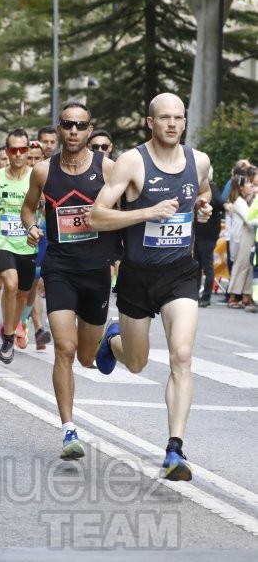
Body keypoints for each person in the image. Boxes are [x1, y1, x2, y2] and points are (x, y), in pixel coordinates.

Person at [90, 92, 213, 482]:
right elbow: (96, 216)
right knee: (138, 362)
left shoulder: (199, 160)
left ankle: (175, 449)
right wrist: (147, 211)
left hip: (180, 274)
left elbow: (204, 190)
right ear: (150, 122)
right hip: (137, 276)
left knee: (181, 355)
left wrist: (204, 206)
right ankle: (112, 341)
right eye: (165, 118)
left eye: (179, 118)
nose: (173, 124)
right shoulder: (131, 162)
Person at [22, 103, 118, 460]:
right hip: (59, 267)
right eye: (67, 124)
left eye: (81, 125)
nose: (74, 130)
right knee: (64, 347)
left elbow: (128, 208)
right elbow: (28, 208)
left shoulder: (107, 169)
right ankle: (68, 430)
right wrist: (32, 227)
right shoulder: (43, 172)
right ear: (59, 130)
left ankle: (109, 339)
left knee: (87, 356)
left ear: (90, 130)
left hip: (96, 271)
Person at [0, 129, 36, 364]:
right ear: (7, 152)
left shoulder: (37, 177)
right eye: (13, 150)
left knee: (23, 294)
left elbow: (45, 208)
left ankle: (13, 325)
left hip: (29, 244)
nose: (17, 154)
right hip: (3, 241)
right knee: (10, 284)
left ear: (28, 151)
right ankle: (8, 337)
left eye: (22, 150)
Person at [224, 167, 257, 308]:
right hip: (242, 238)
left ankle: (245, 296)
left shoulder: (243, 201)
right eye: (249, 183)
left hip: (247, 237)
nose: (251, 186)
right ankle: (233, 296)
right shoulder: (239, 202)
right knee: (242, 266)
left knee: (248, 267)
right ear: (241, 187)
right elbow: (249, 220)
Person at [193, 169, 224, 307]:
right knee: (197, 266)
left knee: (207, 267)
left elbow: (220, 202)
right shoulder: (199, 190)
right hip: (199, 234)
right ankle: (195, 295)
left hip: (208, 235)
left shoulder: (212, 188)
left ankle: (206, 297)